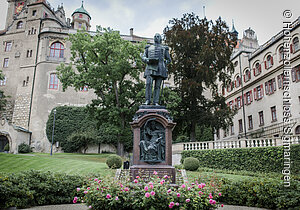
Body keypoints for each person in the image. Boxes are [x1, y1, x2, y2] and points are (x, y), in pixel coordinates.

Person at [142, 33, 171, 105]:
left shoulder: (164, 48)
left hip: (160, 68)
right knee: (148, 84)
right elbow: (143, 57)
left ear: (160, 39)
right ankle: (147, 100)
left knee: (157, 86)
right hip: (150, 67)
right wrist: (147, 60)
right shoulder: (148, 48)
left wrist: (165, 62)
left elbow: (169, 59)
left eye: (158, 36)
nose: (156, 37)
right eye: (155, 36)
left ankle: (156, 102)